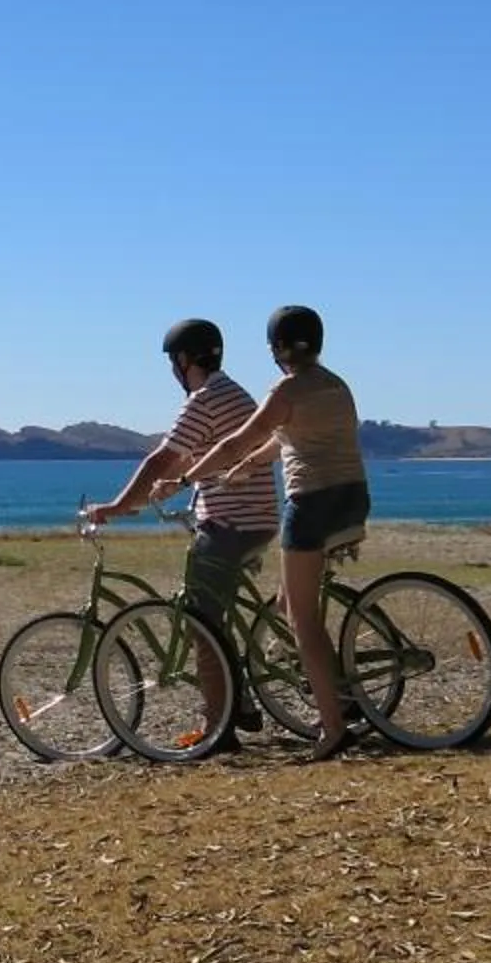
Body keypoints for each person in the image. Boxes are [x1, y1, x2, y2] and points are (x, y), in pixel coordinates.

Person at [179, 303, 371, 761]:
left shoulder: (285, 389)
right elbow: (284, 439)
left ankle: (333, 727)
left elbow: (235, 440)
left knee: (302, 620)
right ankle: (338, 696)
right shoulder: (335, 385)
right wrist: (247, 467)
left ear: (276, 348)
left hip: (312, 505)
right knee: (287, 603)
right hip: (353, 498)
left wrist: (186, 478)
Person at [78, 316, 281, 735]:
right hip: (257, 519)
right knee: (215, 615)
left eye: (173, 361)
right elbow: (188, 461)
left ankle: (217, 728)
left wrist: (116, 506)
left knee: (199, 622)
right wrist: (143, 500)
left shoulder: (204, 399)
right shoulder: (233, 393)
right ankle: (240, 704)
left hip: (230, 523)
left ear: (184, 360)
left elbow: (162, 459)